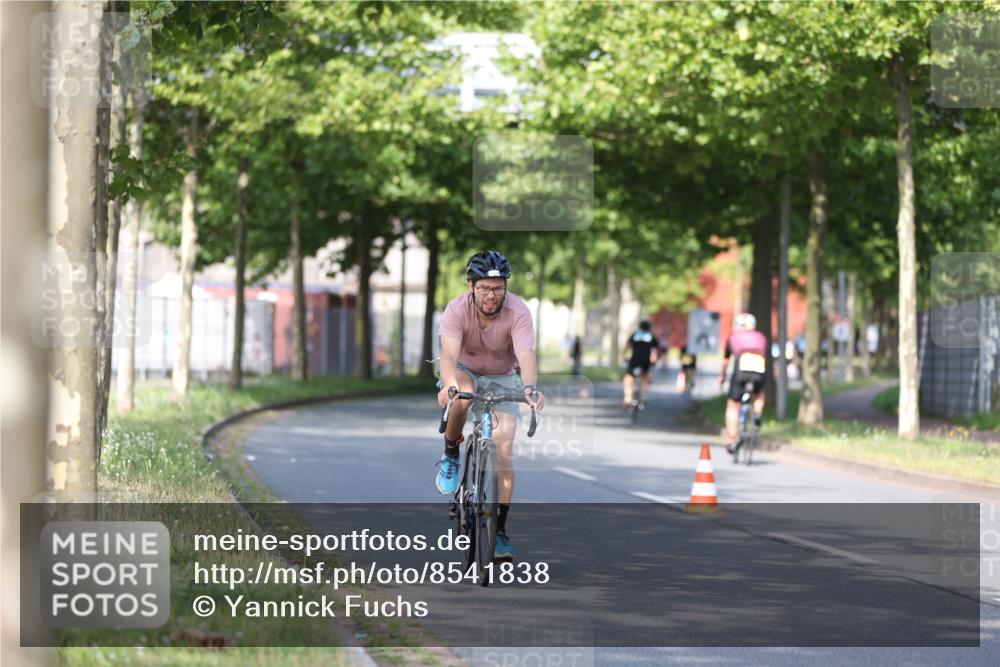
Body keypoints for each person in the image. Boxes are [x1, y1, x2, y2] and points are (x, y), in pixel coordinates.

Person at [435, 250, 544, 559]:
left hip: (503, 376)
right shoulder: (456, 310)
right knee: (463, 394)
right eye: (484, 287)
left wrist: (530, 388)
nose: (491, 295)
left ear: (505, 287)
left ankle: (499, 531)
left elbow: (526, 355)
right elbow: (447, 354)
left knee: (504, 445)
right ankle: (451, 453)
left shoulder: (518, 311)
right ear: (471, 286)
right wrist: (449, 385)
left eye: (497, 287)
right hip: (464, 370)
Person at [718, 313, 769, 454]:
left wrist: (722, 376)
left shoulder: (733, 336)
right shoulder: (761, 337)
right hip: (758, 368)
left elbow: (726, 361)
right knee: (759, 395)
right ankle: (757, 413)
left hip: (741, 369)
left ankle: (731, 440)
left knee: (733, 405)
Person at [622, 319, 660, 407]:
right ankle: (643, 397)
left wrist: (624, 356)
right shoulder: (652, 336)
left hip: (634, 360)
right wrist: (654, 360)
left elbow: (627, 347)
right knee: (644, 378)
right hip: (645, 361)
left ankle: (628, 398)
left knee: (629, 378)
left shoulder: (635, 335)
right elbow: (656, 351)